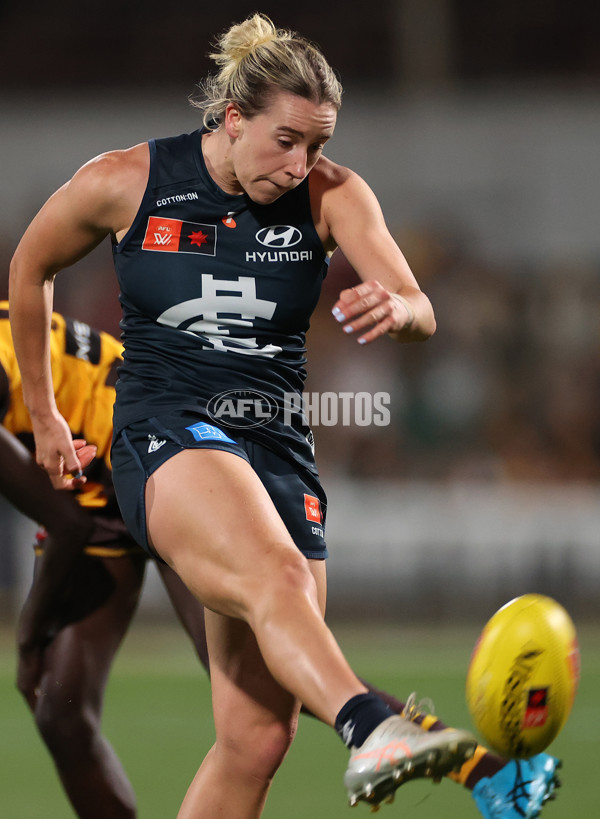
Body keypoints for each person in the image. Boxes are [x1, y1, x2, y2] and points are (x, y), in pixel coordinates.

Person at [8, 13, 561, 818]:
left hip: (278, 448)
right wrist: (45, 413)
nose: (302, 162)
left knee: (257, 739)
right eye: (287, 140)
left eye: (319, 142)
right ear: (233, 119)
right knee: (279, 577)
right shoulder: (128, 180)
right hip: (167, 426)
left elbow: (420, 304)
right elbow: (31, 265)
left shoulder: (335, 194)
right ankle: (376, 727)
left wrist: (397, 308)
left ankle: (381, 730)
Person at [0, 303, 210, 818]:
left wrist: (29, 641)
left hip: (150, 445)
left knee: (242, 676)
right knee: (61, 715)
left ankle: (386, 722)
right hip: (97, 480)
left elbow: (67, 526)